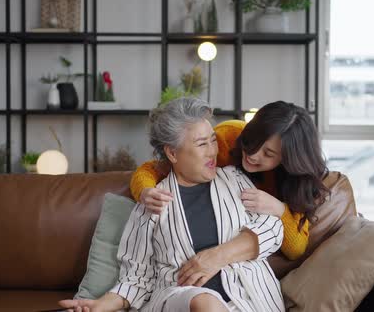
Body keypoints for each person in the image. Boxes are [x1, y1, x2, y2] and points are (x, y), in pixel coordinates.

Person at [59, 98, 284, 312]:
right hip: (184, 300)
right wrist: (101, 305)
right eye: (201, 143)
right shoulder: (153, 204)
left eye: (213, 140)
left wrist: (219, 256)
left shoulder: (236, 180)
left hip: (249, 297)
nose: (213, 151)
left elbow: (274, 229)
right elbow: (136, 279)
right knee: (203, 301)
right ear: (172, 153)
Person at [130, 100, 330, 260]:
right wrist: (145, 191)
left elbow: (296, 249)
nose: (253, 154)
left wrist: (279, 209)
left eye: (268, 154)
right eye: (253, 141)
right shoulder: (226, 138)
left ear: (288, 160)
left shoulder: (295, 181)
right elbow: (154, 168)